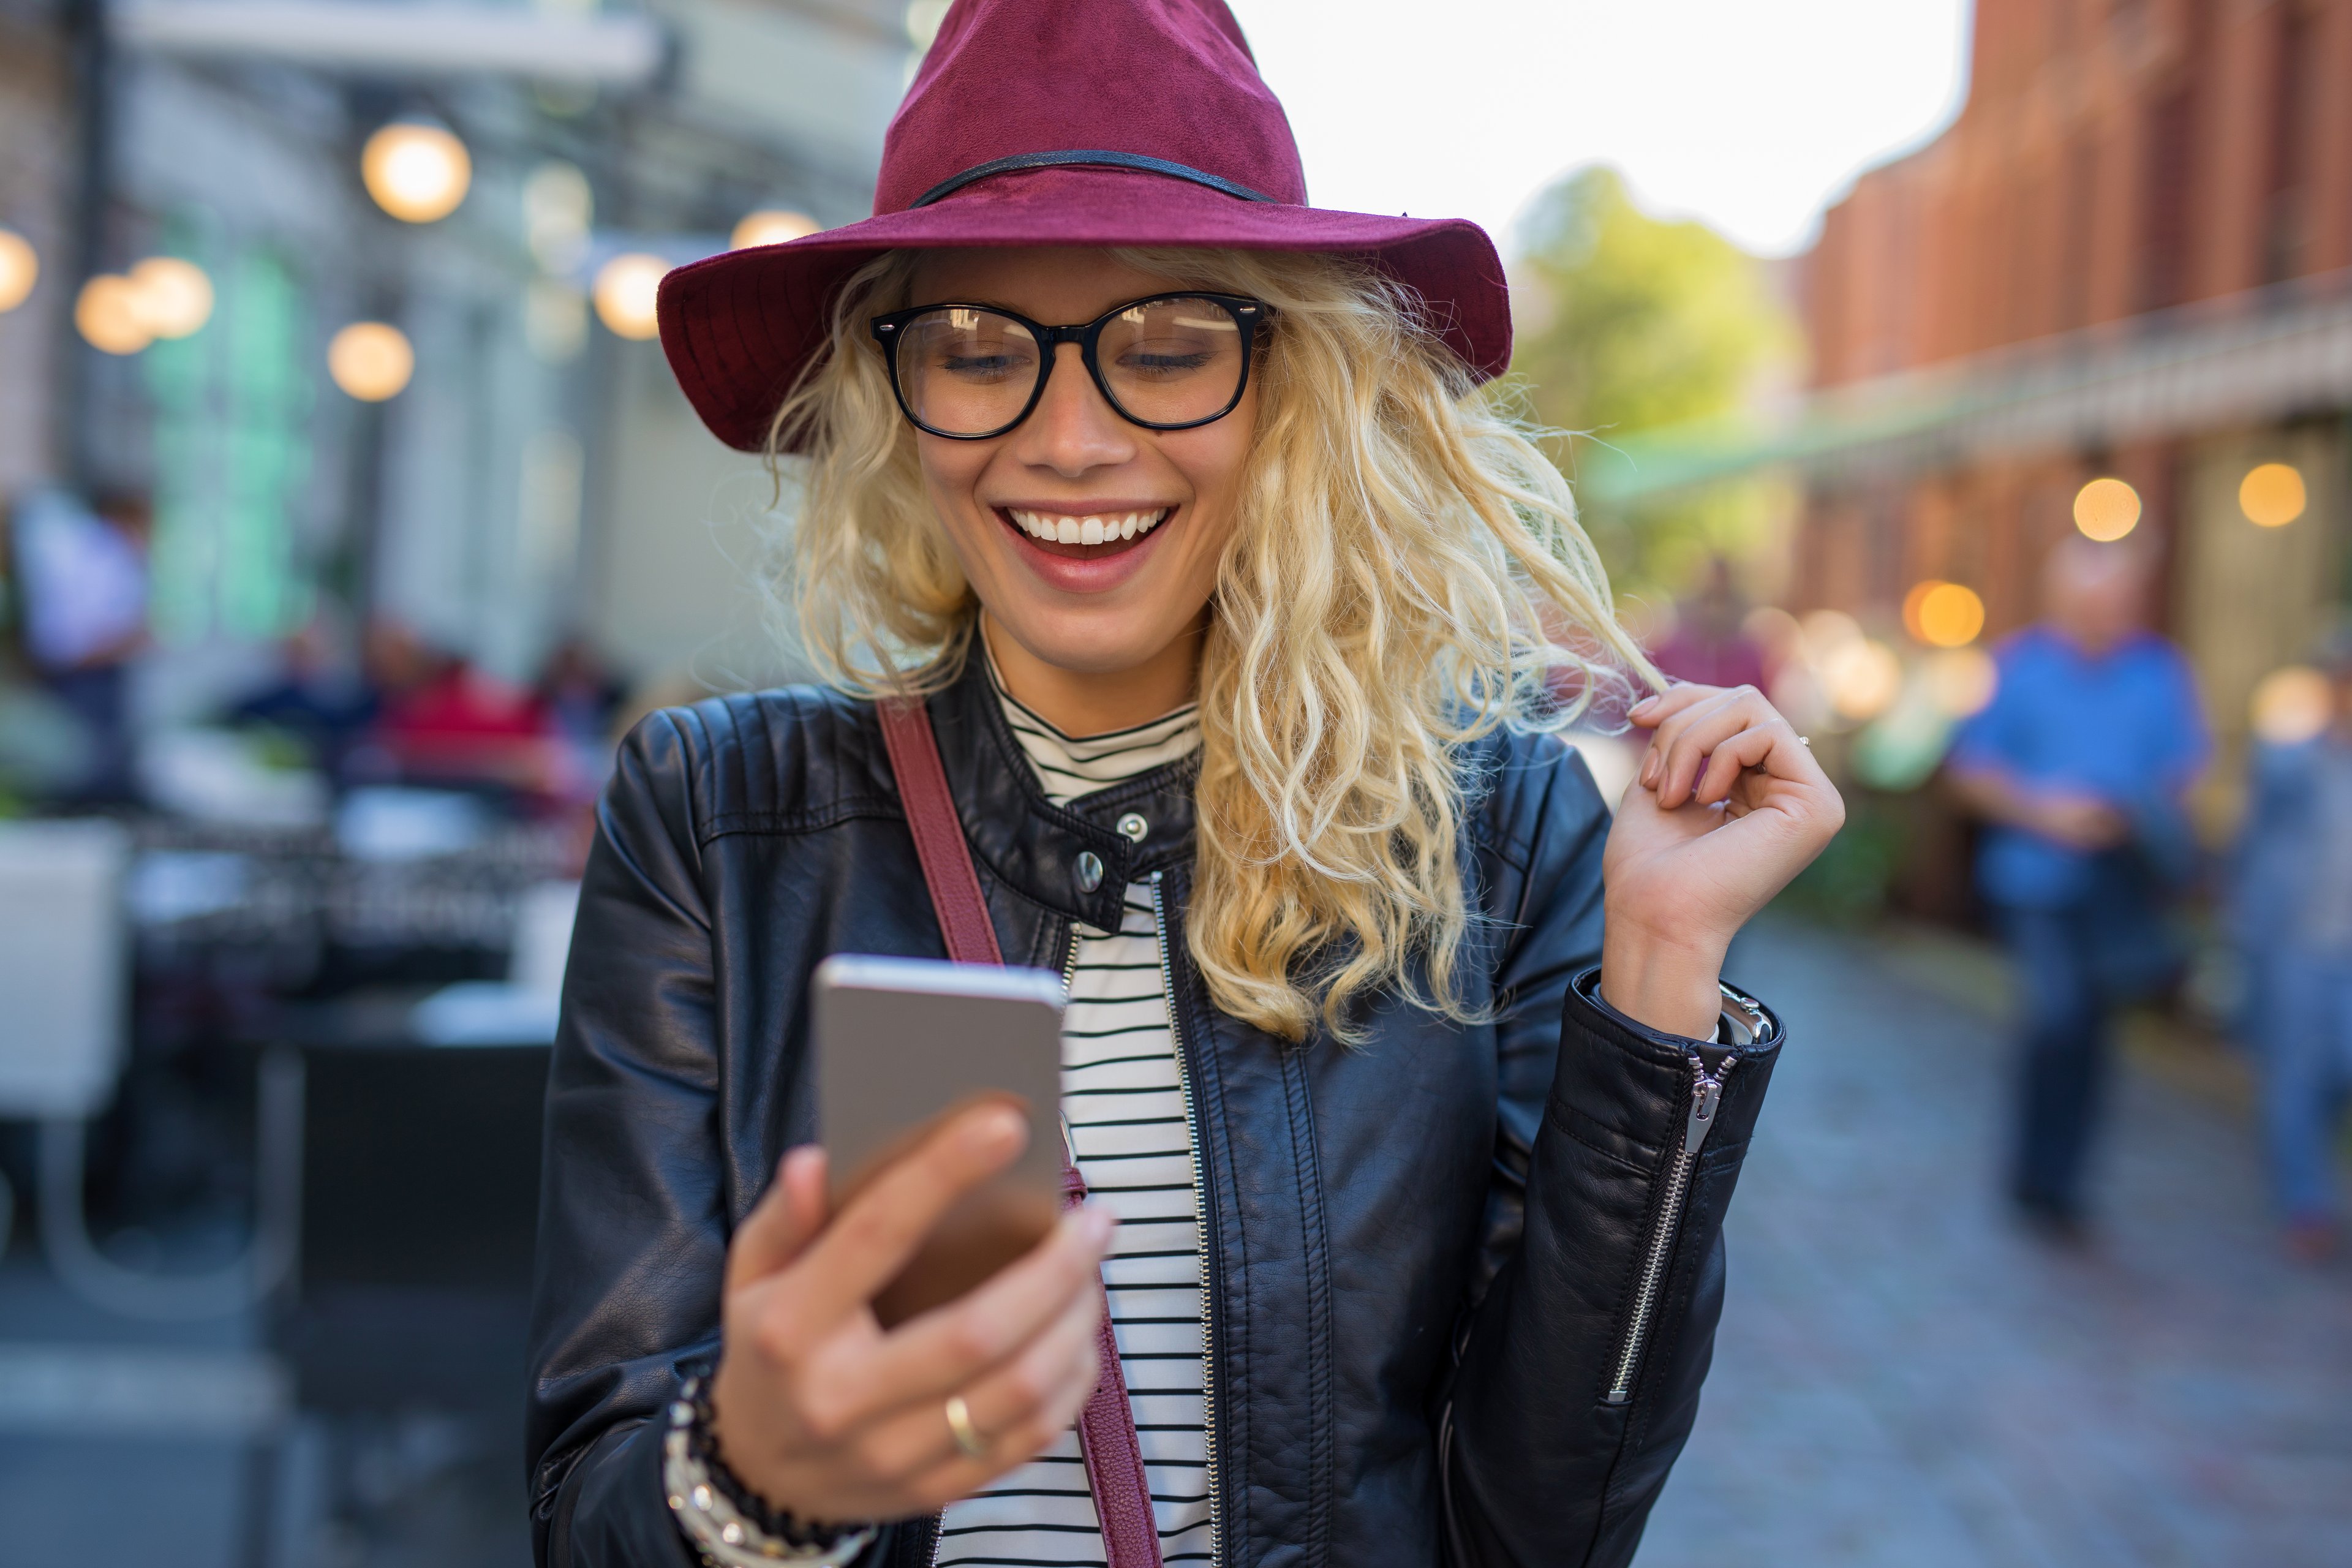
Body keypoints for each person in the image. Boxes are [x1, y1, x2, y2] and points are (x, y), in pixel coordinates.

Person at [526, 4, 1844, 1566]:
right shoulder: (718, 821)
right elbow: (588, 1510)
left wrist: (1665, 973)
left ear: (1291, 385)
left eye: (1165, 345)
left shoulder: (1502, 833)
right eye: (974, 347)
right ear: (893, 395)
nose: (1070, 437)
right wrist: (755, 1468)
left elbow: (1536, 1525)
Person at [1949, 534, 2208, 1238]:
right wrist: (2044, 809)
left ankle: (2062, 1182)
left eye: (2114, 599)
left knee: (2093, 1032)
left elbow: (2182, 771)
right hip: (2037, 880)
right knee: (2055, 1015)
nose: (2103, 613)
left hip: (2117, 883)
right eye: (2090, 600)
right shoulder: (2021, 666)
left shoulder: (2159, 672)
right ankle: (2032, 1173)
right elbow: (1971, 772)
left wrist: (2133, 811)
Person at [2231, 631, 2352, 1262]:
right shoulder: (2290, 763)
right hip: (2297, 943)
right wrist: (2247, 929)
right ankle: (2304, 1201)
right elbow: (2252, 847)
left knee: (2338, 1068)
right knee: (2295, 1074)